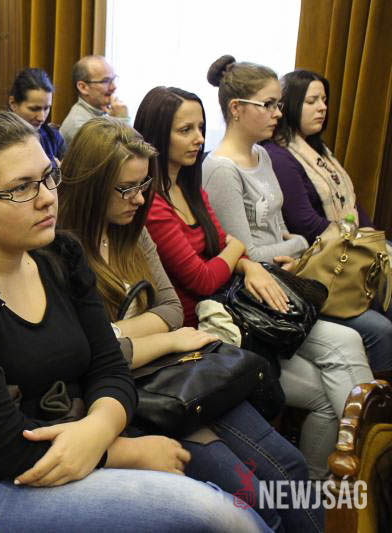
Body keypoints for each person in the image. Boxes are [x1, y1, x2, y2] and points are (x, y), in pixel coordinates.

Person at [0, 110, 271, 532]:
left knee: (252, 487)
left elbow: (109, 365)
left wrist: (100, 426)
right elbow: (0, 447)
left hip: (73, 434)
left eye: (48, 177)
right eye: (21, 188)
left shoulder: (59, 253)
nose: (47, 198)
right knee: (215, 514)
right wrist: (123, 452)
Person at [58, 116, 321, 532]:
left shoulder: (132, 230)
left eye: (143, 185)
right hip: (132, 397)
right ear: (91, 186)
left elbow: (169, 310)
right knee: (256, 499)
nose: (139, 199)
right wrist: (164, 340)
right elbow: (92, 355)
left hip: (174, 373)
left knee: (290, 467)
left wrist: (118, 334)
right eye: (126, 188)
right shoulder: (61, 250)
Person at [197, 56, 374, 475]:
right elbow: (244, 252)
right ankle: (367, 460)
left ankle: (330, 482)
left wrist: (291, 249)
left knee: (333, 389)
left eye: (278, 103)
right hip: (255, 302)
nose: (279, 113)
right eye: (269, 104)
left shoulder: (262, 155)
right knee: (348, 344)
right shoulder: (220, 169)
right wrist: (297, 244)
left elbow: (278, 233)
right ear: (236, 109)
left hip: (286, 284)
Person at [264, 69, 392, 371]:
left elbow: (353, 206)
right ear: (291, 105)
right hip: (323, 264)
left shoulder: (319, 150)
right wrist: (362, 243)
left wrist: (371, 239)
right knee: (383, 321)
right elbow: (305, 223)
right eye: (312, 101)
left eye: (324, 100)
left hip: (348, 251)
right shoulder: (279, 155)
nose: (322, 107)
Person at [60, 55, 129, 146]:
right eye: (106, 81)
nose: (114, 87)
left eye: (113, 79)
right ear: (83, 87)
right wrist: (121, 120)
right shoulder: (79, 125)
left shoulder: (105, 112)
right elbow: (120, 153)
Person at [8, 67, 65, 163]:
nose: (41, 118)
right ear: (13, 103)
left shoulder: (53, 137)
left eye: (46, 108)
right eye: (34, 109)